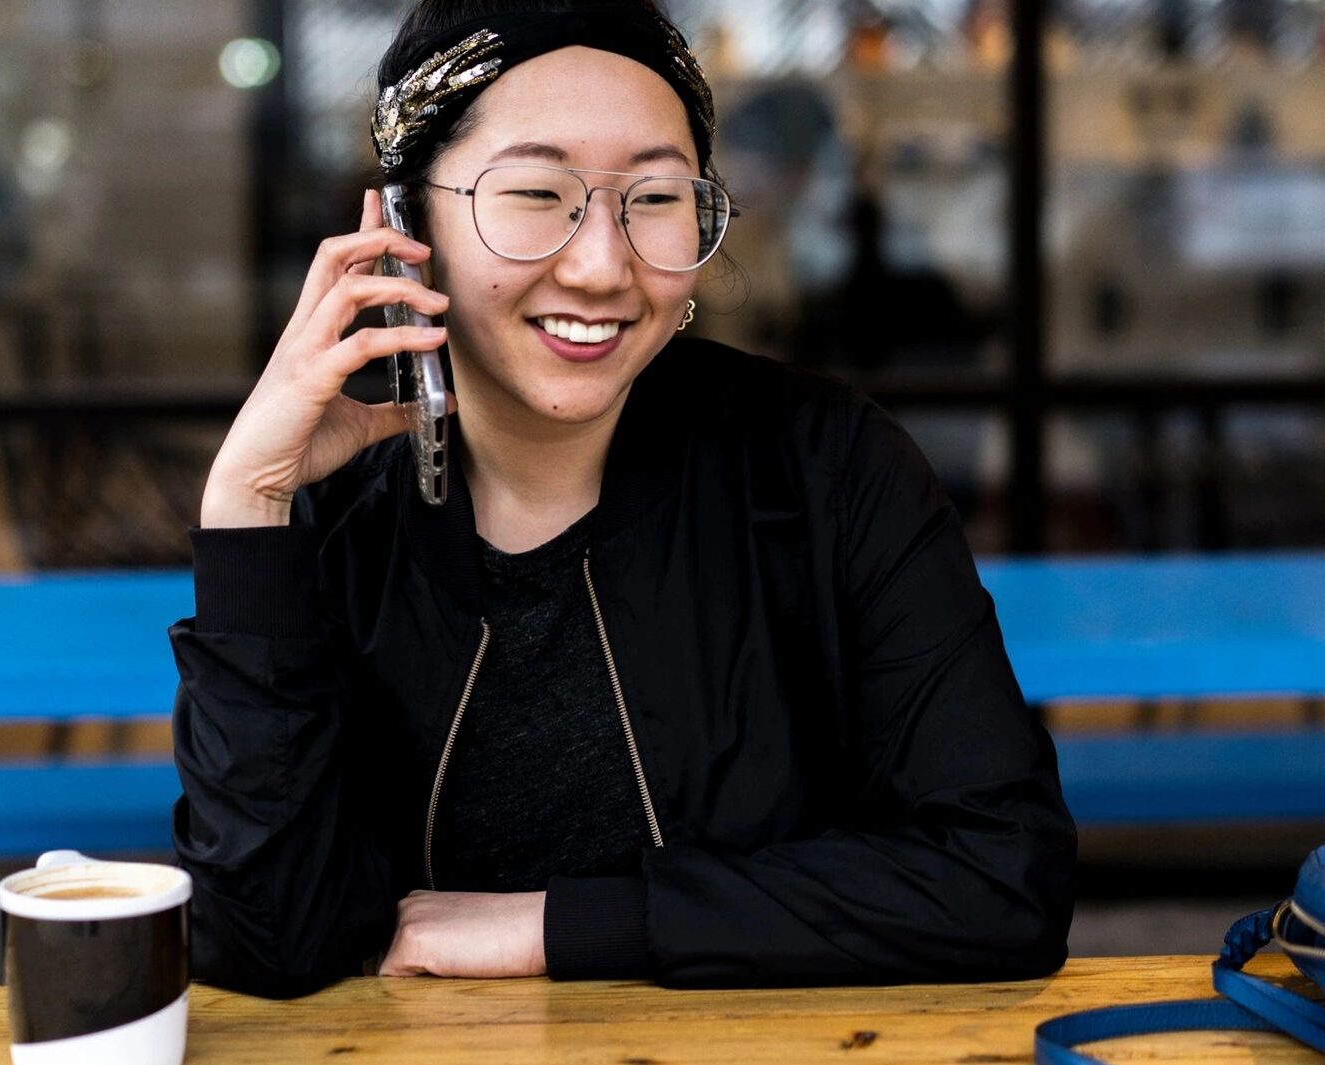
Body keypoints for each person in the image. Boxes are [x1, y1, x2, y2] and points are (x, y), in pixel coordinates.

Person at [169, 0, 1076, 997]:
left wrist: (559, 926)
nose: (602, 266)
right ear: (402, 223)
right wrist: (246, 504)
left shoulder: (824, 470)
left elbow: (1000, 876)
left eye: (652, 197)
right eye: (533, 192)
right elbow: (270, 944)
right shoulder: (335, 514)